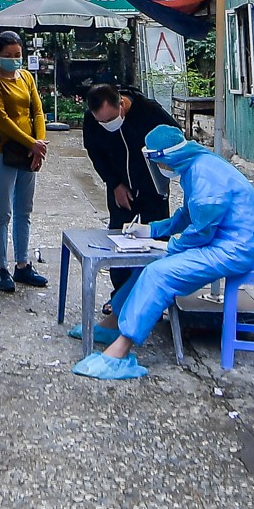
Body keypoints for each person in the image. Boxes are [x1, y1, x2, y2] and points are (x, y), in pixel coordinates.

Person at [74, 126, 254, 381]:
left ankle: (119, 353)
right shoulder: (195, 167)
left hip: (234, 249)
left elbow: (201, 232)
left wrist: (171, 246)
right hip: (223, 241)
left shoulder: (203, 174)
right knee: (148, 264)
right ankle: (113, 323)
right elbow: (187, 215)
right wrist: (150, 231)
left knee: (158, 273)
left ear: (167, 158)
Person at [73, 83, 177, 343]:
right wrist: (114, 183)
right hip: (120, 187)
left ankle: (154, 301)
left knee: (156, 245)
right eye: (100, 121)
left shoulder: (150, 112)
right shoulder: (92, 121)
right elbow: (95, 153)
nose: (106, 124)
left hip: (152, 187)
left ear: (121, 104)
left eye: (110, 119)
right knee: (118, 243)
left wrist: (162, 175)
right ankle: (118, 300)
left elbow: (176, 139)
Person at [0, 30, 48, 292]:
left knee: (24, 211)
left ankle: (23, 265)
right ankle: (2, 269)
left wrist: (38, 145)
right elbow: (1, 121)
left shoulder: (27, 77)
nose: (13, 59)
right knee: (3, 213)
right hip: (3, 152)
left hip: (30, 152)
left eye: (18, 55)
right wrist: (31, 143)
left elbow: (38, 111)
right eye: (8, 56)